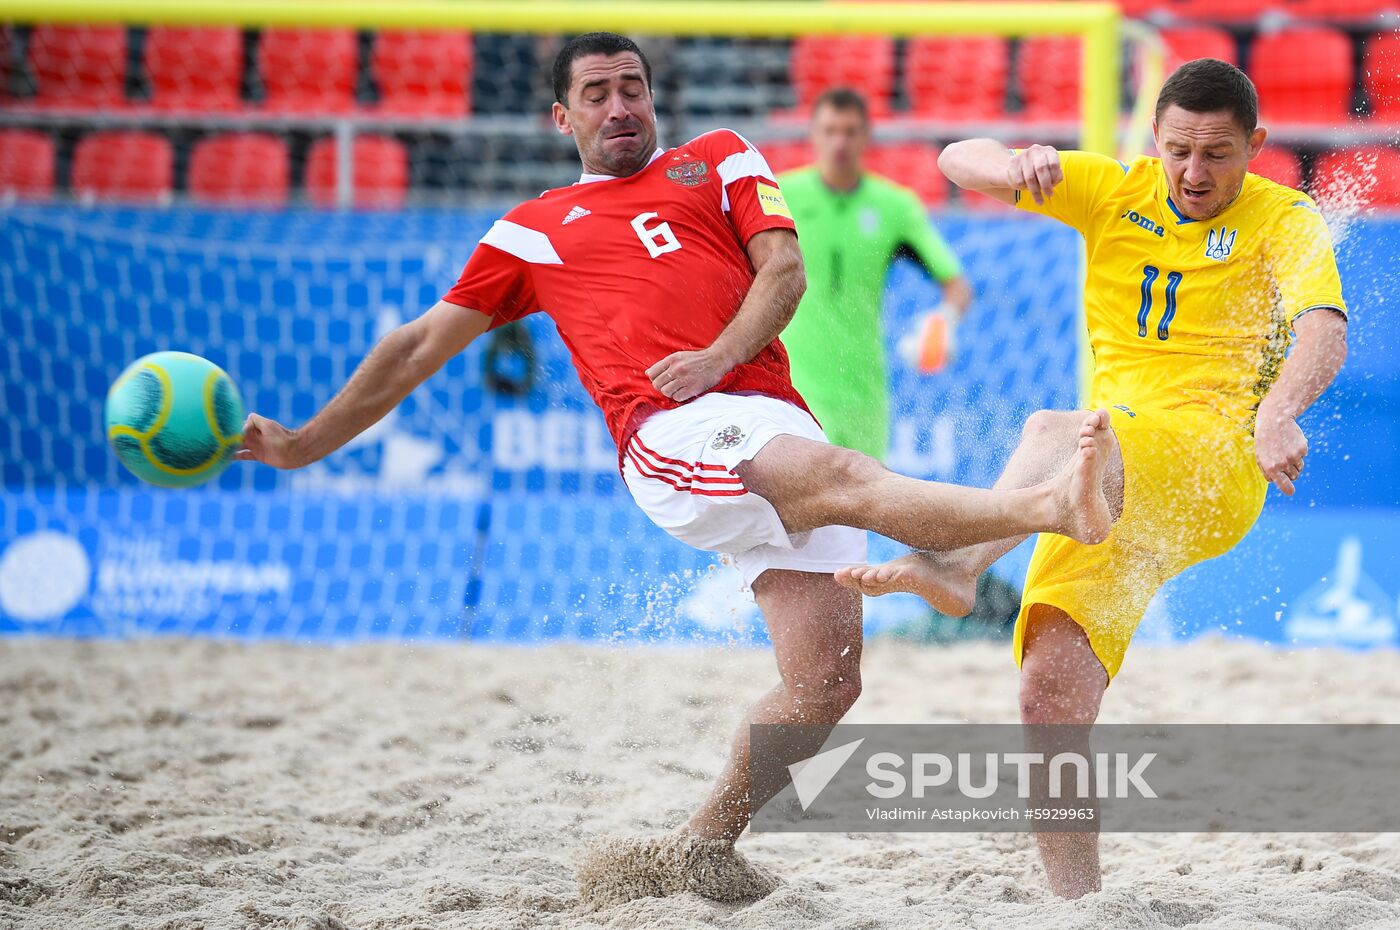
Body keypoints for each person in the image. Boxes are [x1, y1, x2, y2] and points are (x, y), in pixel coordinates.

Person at [235, 31, 1113, 901]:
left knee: (826, 683)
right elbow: (421, 344)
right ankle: (1038, 510)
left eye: (632, 87)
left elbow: (785, 274)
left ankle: (701, 846)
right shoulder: (532, 230)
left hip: (765, 412)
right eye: (596, 93)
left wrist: (718, 352)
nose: (619, 106)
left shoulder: (720, 158)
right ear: (560, 115)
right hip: (669, 432)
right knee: (849, 473)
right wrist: (306, 443)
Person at [839, 58, 1349, 898]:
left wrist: (1276, 412)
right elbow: (952, 159)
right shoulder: (1113, 189)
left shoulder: (1285, 218)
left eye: (1217, 154)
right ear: (1154, 138)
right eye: (1178, 149)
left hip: (1209, 465)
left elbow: (1321, 327)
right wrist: (1012, 162)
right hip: (1099, 488)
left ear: (1255, 146)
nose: (1193, 172)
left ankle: (960, 566)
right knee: (1049, 700)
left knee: (1052, 427)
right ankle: (1081, 907)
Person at [780, 87, 973, 460]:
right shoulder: (780, 194)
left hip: (862, 388)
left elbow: (956, 286)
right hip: (793, 385)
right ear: (814, 135)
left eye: (850, 131)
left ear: (866, 137)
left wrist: (942, 321)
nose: (839, 142)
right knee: (798, 511)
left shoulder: (893, 206)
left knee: (861, 510)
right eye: (830, 130)